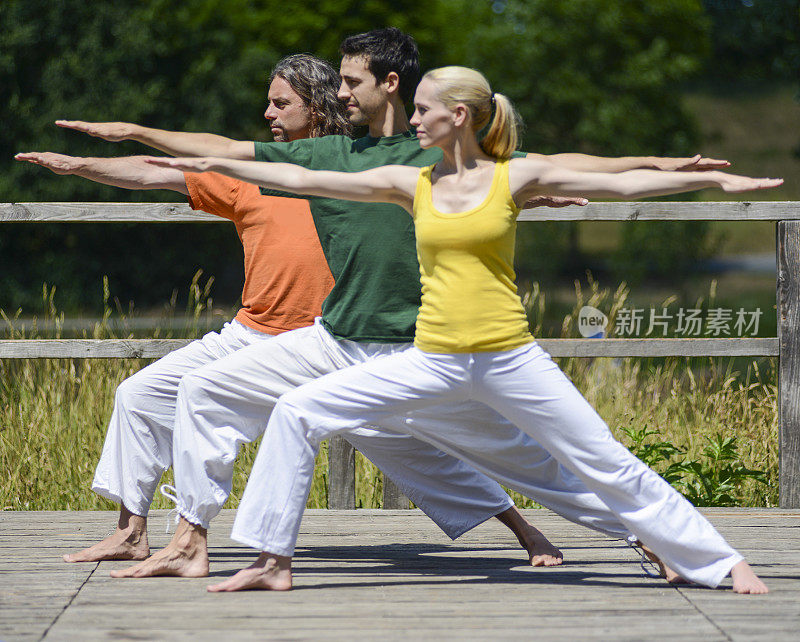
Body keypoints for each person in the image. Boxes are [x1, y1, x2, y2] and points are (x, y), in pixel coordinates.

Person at [53, 28, 733, 581]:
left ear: (390, 83)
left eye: (349, 81)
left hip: (423, 352)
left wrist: (675, 168)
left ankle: (651, 534)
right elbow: (222, 152)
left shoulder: (438, 155)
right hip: (336, 338)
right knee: (202, 387)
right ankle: (190, 540)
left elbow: (577, 164)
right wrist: (135, 132)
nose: (339, 91)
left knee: (536, 464)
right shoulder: (329, 153)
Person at [17, 54, 563, 567]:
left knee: (409, 444)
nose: (267, 113)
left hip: (333, 343)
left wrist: (527, 193)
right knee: (141, 394)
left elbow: (457, 184)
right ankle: (133, 531)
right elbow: (154, 171)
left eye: (280, 103)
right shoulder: (248, 168)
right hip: (252, 336)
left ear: (316, 105)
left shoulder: (357, 167)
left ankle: (526, 528)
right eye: (268, 103)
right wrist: (77, 165)